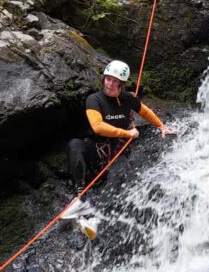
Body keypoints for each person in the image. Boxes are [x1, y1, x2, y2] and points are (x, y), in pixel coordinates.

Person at [67, 60, 175, 194]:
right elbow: (97, 127)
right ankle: (80, 193)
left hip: (120, 151)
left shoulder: (129, 98)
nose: (110, 84)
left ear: (122, 84)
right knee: (75, 144)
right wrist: (127, 133)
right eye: (108, 79)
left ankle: (106, 202)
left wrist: (161, 126)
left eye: (115, 81)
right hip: (98, 150)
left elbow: (145, 111)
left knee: (120, 172)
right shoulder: (94, 100)